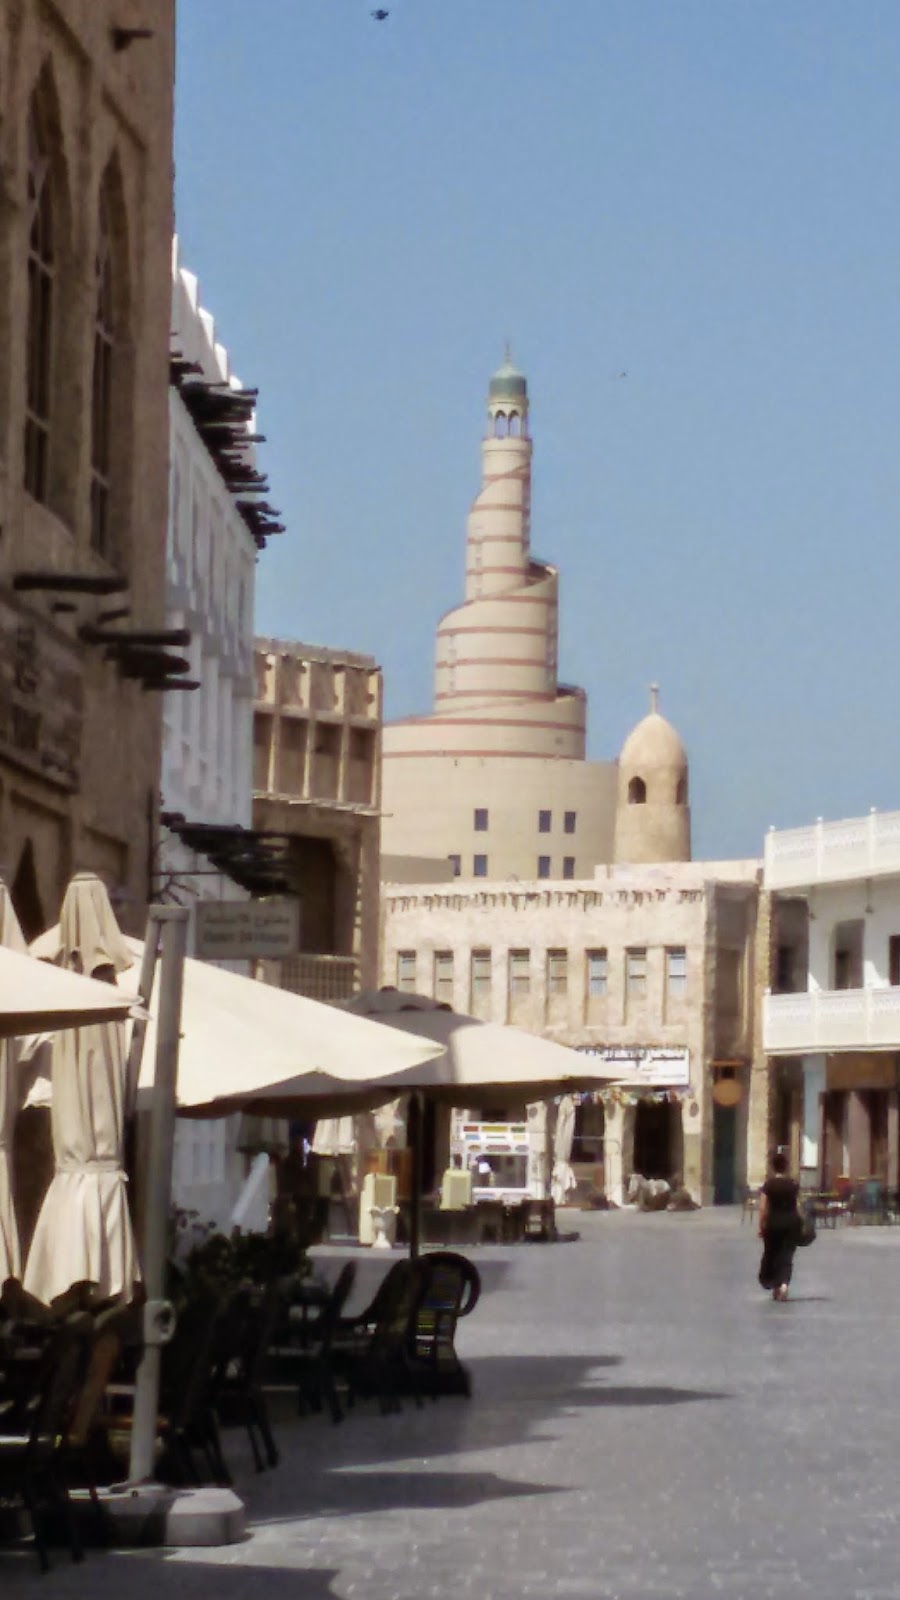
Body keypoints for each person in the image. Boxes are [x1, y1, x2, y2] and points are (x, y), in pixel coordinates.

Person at [758, 1152, 801, 1302]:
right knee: (787, 1256)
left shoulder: (769, 1185)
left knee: (772, 1254)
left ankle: (775, 1286)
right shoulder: (793, 1185)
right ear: (786, 1167)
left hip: (773, 1224)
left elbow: (763, 1208)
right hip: (791, 1223)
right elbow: (798, 1206)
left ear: (773, 1167)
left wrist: (761, 1226)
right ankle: (783, 1284)